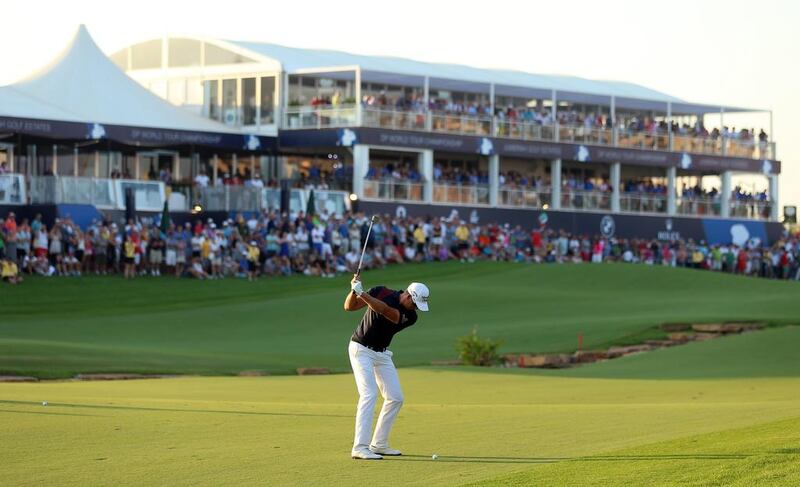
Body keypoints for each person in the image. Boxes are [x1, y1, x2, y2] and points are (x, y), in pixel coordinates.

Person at [343, 276, 429, 460]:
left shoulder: (410, 316)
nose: (415, 308)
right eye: (415, 304)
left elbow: (385, 310)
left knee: (396, 398)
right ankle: (359, 447)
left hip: (382, 355)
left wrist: (362, 292)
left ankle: (379, 444)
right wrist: (353, 291)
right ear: (408, 296)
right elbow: (349, 307)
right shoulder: (381, 291)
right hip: (361, 349)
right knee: (369, 394)